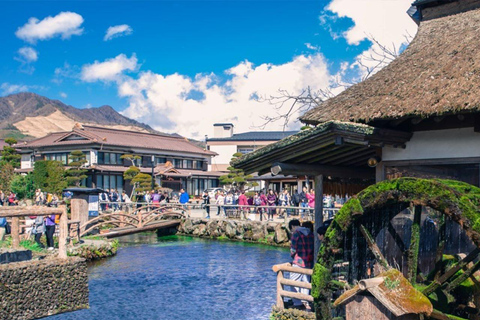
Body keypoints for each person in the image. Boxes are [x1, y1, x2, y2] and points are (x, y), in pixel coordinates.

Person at [289, 219, 314, 311]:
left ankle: (297, 303)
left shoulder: (296, 234)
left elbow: (293, 250)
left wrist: (293, 257)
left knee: (294, 281)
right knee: (306, 282)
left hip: (298, 262)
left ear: (292, 226)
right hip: (309, 262)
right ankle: (306, 302)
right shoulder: (311, 234)